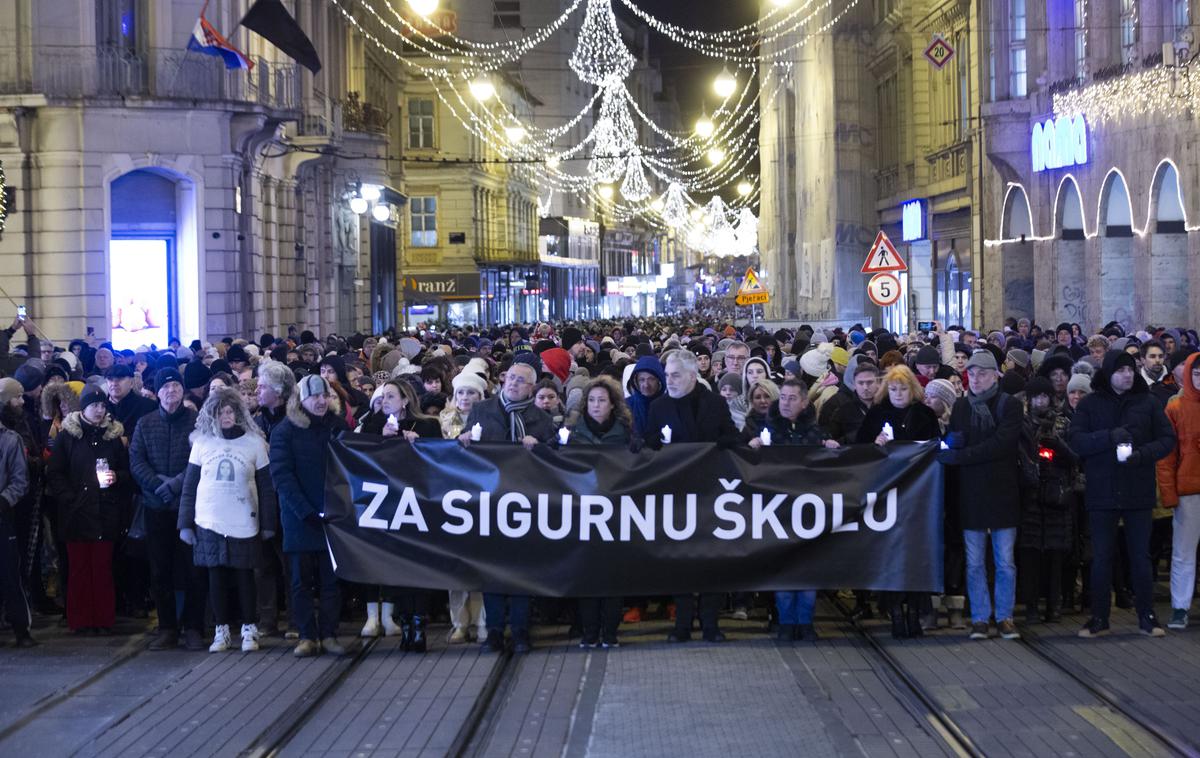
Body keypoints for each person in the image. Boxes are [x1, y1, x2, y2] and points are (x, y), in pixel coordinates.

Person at [1069, 350, 1175, 638]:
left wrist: (1142, 455)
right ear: (1109, 374)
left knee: (1139, 556)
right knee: (1102, 556)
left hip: (1137, 488)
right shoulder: (1091, 404)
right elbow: (1076, 440)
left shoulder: (1147, 402)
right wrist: (1108, 438)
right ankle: (1099, 617)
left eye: (1130, 369)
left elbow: (1167, 439)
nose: (1127, 375)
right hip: (1102, 489)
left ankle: (1147, 616)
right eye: (1121, 370)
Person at [645, 350, 740, 643]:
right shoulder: (659, 407)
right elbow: (650, 445)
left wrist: (715, 446)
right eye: (667, 375)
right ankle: (682, 624)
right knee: (681, 561)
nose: (668, 380)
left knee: (713, 559)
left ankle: (710, 623)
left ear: (691, 375)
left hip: (711, 494)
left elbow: (731, 437)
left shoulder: (713, 403)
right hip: (676, 495)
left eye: (675, 375)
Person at [461, 361, 555, 653]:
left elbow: (554, 457)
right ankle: (494, 631)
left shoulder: (541, 419)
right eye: (510, 378)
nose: (513, 383)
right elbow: (465, 449)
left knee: (522, 571)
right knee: (493, 571)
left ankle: (521, 630)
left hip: (525, 502)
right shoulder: (482, 411)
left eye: (521, 381)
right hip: (490, 502)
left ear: (531, 388)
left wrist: (539, 447)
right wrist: (462, 440)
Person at [178, 387, 276, 653]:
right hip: (209, 520)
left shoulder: (254, 443)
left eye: (231, 411)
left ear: (239, 412)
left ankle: (249, 628)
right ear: (212, 414)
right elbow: (190, 485)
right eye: (221, 412)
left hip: (244, 520)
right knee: (216, 577)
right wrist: (185, 523)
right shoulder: (201, 443)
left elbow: (266, 487)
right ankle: (221, 630)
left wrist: (268, 524)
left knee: (246, 577)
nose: (226, 416)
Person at [937, 351, 1024, 641]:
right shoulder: (962, 406)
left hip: (1002, 491)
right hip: (972, 493)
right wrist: (953, 446)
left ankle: (1004, 616)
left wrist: (963, 455)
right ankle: (979, 618)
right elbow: (955, 440)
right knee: (974, 561)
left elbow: (1002, 445)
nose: (975, 379)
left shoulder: (1008, 405)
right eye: (971, 374)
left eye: (982, 374)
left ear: (994, 376)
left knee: (1004, 561)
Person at [746, 379, 838, 642]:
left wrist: (830, 448)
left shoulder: (815, 432)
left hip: (809, 511)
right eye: (783, 398)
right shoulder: (769, 430)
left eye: (791, 398)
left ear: (804, 402)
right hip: (780, 511)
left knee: (808, 569)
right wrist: (753, 449)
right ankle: (786, 622)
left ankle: (805, 622)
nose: (785, 403)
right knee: (784, 569)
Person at [355, 380, 441, 650]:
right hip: (387, 505)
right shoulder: (371, 425)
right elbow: (360, 457)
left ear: (405, 400)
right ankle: (404, 621)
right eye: (383, 396)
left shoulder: (427, 425)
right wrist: (382, 439)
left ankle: (418, 623)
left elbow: (441, 460)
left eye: (391, 396)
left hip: (418, 504)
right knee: (396, 567)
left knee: (419, 566)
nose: (386, 400)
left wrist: (421, 445)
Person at [856, 366, 941, 638]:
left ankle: (916, 612)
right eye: (893, 389)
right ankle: (894, 613)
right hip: (886, 497)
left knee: (915, 555)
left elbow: (934, 448)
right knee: (890, 555)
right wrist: (875, 443)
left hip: (917, 497)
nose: (898, 394)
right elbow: (859, 449)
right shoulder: (877, 414)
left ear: (912, 389)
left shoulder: (925, 414)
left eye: (903, 389)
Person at [270, 375, 349, 657]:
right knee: (300, 581)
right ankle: (306, 635)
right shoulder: (286, 431)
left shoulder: (337, 426)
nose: (320, 401)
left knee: (331, 581)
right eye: (314, 396)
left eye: (324, 396)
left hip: (332, 516)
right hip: (298, 518)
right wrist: (304, 510)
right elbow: (282, 474)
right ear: (300, 400)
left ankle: (328, 633)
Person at [129, 368, 207, 651]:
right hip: (155, 505)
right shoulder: (145, 423)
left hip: (188, 507)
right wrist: (156, 485)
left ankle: (194, 627)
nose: (171, 391)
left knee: (193, 569)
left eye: (176, 386)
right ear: (157, 392)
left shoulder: (196, 422)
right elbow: (136, 460)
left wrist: (175, 485)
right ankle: (166, 627)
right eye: (166, 387)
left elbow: (201, 460)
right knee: (160, 570)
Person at [47, 386, 131, 634]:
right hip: (76, 513)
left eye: (103, 406)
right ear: (83, 408)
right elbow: (55, 473)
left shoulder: (112, 437)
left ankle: (103, 619)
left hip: (105, 511)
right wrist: (70, 499)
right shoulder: (67, 436)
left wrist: (117, 477)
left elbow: (127, 472)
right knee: (79, 569)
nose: (100, 410)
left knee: (102, 568)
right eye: (95, 406)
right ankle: (81, 620)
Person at [565, 376, 631, 647]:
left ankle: (611, 632)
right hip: (584, 512)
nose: (595, 405)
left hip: (615, 512)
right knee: (587, 576)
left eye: (601, 400)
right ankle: (590, 632)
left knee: (613, 576)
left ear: (612, 405)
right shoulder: (574, 434)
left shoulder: (625, 434)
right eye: (591, 400)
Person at [1017, 376, 1077, 625]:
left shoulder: (1063, 423)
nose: (1040, 401)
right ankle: (1031, 605)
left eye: (1044, 396)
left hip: (1056, 495)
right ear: (1029, 400)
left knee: (1054, 554)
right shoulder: (1021, 425)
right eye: (1036, 397)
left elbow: (1075, 458)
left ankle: (1054, 604)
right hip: (1030, 496)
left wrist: (1058, 446)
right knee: (1030, 554)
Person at [1157, 353, 1200, 630]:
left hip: (1188, 488)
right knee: (1183, 552)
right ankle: (1180, 607)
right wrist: (1169, 494)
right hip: (1188, 491)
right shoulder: (1175, 406)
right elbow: (1167, 457)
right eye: (1196, 374)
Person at [252, 360, 295, 638]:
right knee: (262, 564)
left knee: (291, 565)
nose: (257, 389)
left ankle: (295, 618)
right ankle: (267, 619)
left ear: (278, 392)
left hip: (285, 501)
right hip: (260, 501)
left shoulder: (293, 422)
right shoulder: (255, 422)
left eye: (263, 385)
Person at [0, 382, 32, 647]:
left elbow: (20, 480)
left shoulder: (10, 440)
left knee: (10, 572)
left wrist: (4, 500)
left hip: (3, 514)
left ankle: (21, 627)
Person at [625, 356, 665, 441]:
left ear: (659, 380)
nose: (646, 385)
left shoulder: (669, 405)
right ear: (636, 382)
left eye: (651, 379)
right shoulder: (626, 406)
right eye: (641, 380)